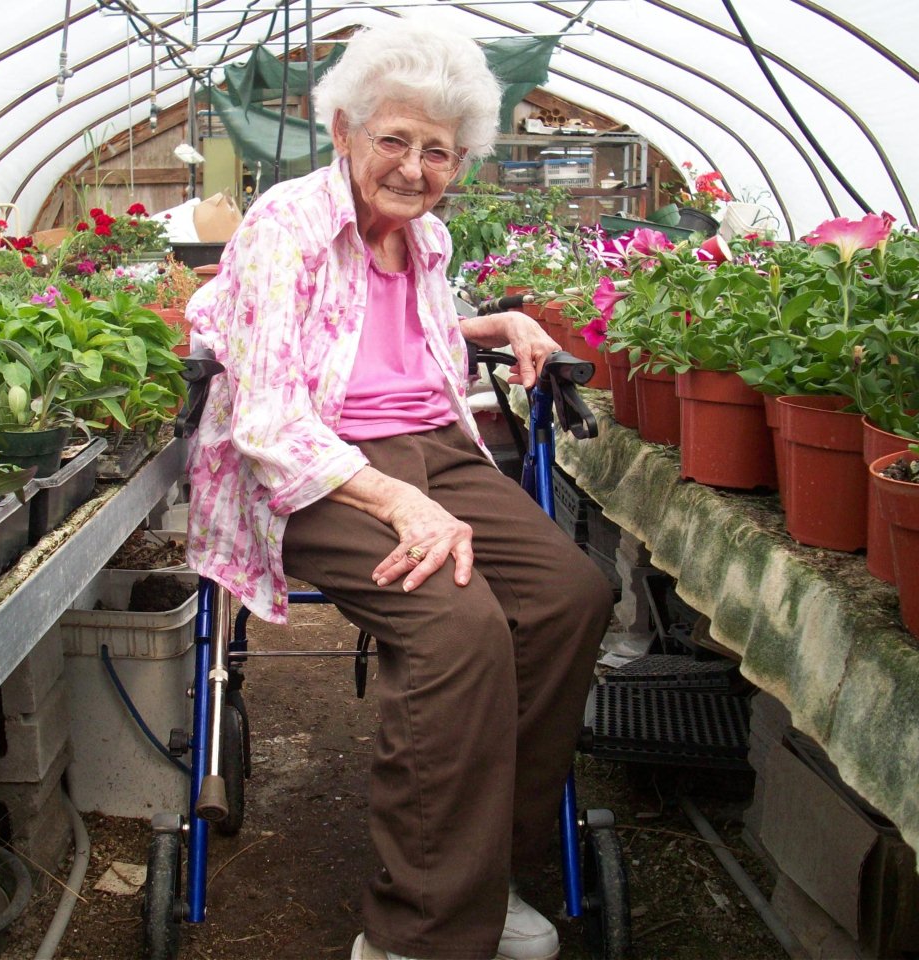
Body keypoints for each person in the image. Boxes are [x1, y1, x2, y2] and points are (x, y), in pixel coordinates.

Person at [184, 20, 613, 960]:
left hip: (431, 446)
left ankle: (481, 876)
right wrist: (398, 500)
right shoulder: (284, 225)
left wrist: (489, 321)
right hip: (311, 465)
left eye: (439, 151)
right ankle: (419, 931)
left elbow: (378, 335)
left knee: (571, 598)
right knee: (460, 631)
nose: (415, 167)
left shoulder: (426, 238)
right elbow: (266, 411)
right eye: (394, 140)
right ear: (342, 131)